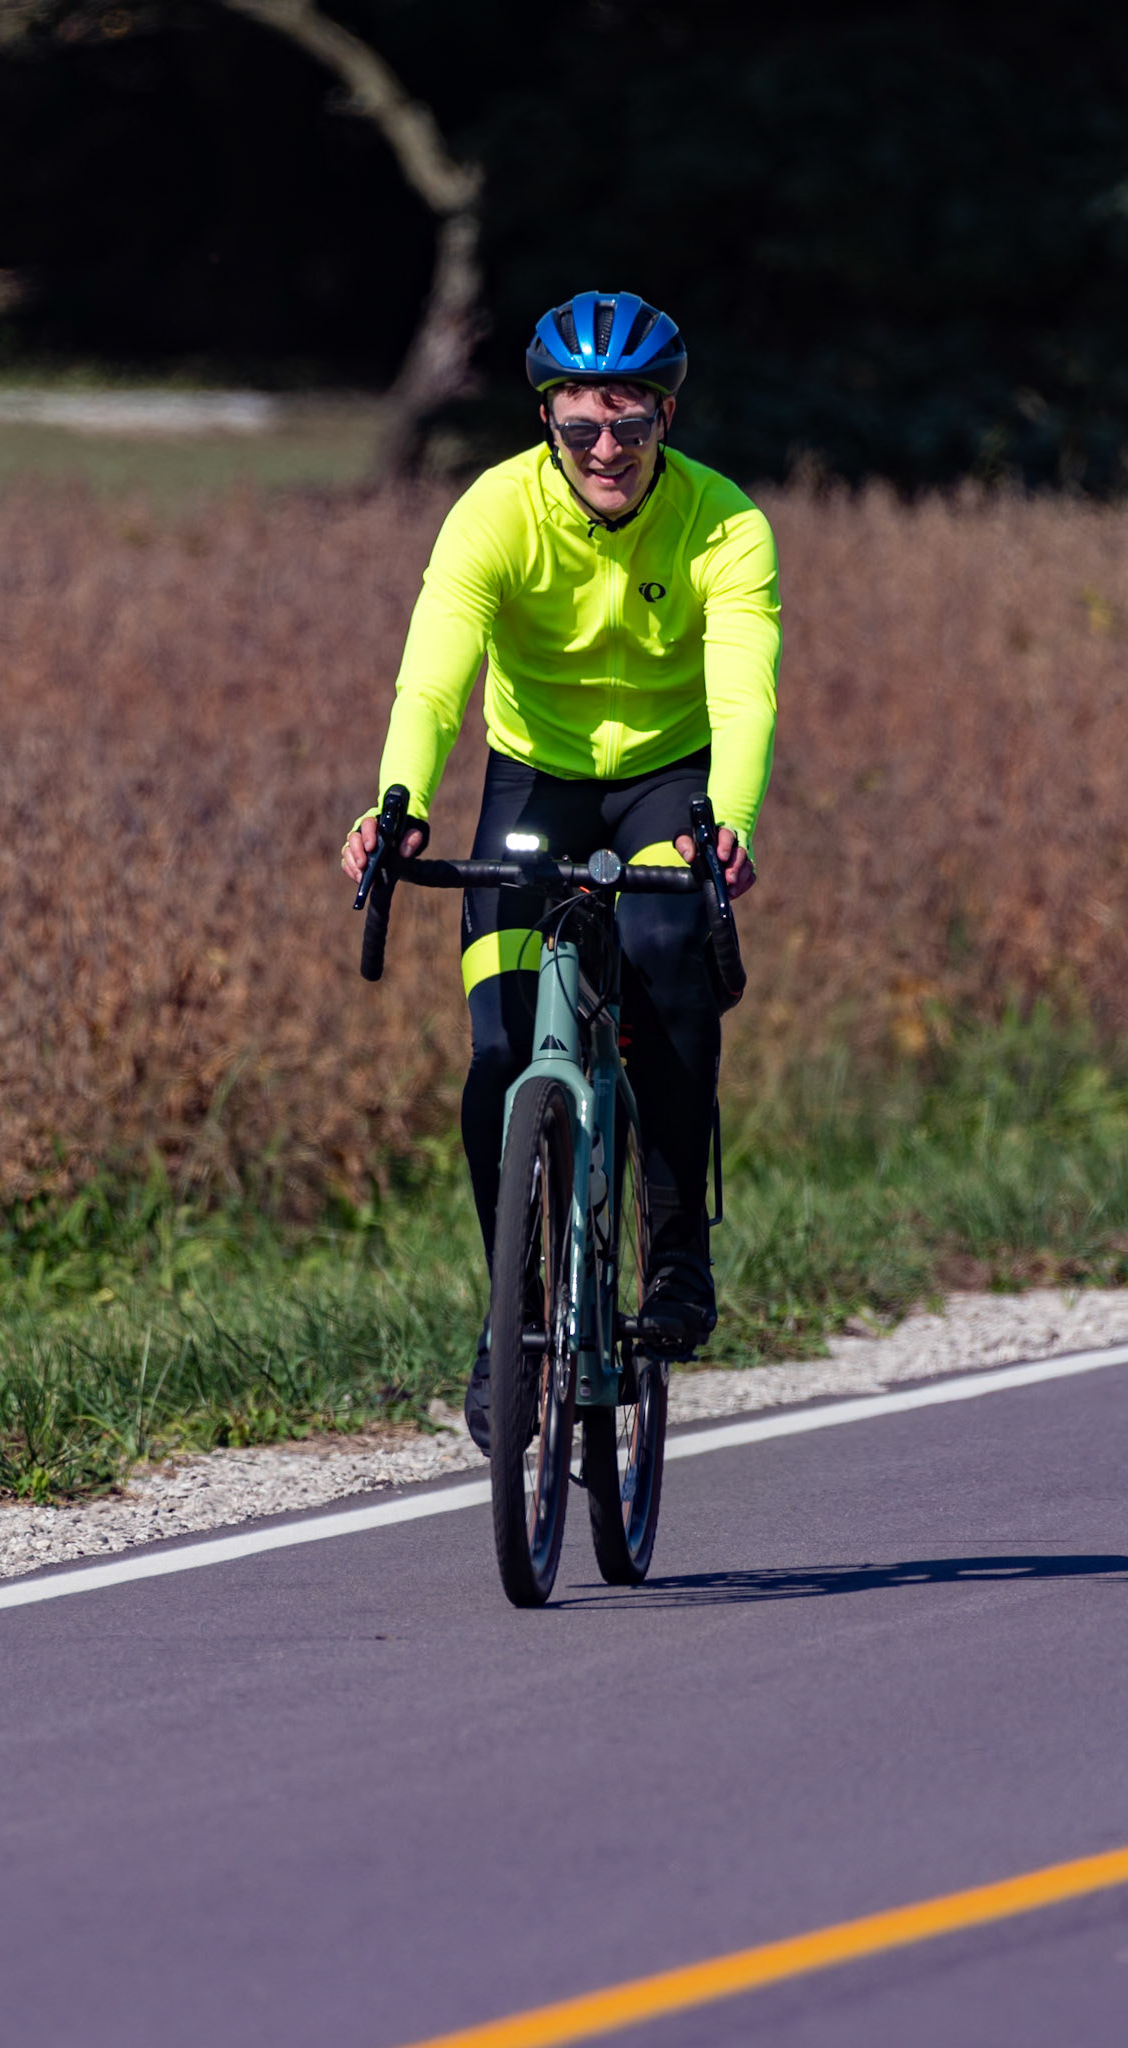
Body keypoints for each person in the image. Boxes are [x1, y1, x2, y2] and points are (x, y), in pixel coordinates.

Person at [342, 291, 781, 1454]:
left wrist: (727, 823)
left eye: (628, 423)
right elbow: (433, 681)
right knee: (500, 1048)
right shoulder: (493, 512)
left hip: (665, 781)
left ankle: (676, 1250)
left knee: (667, 960)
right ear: (546, 419)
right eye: (580, 424)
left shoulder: (724, 523)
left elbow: (745, 694)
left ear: (664, 418)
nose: (605, 449)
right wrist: (396, 804)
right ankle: (516, 1317)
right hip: (532, 779)